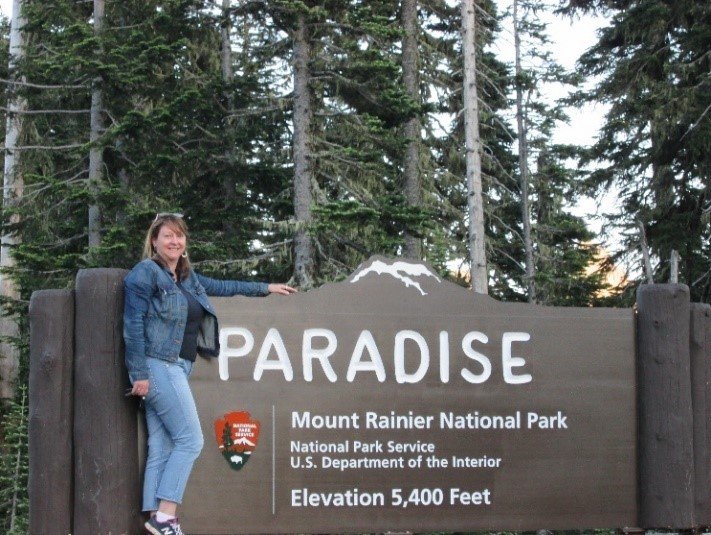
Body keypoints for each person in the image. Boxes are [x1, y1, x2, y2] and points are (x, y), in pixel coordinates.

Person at [123, 213, 295, 535]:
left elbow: (226, 286)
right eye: (167, 236)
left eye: (179, 236)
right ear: (154, 241)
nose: (174, 242)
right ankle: (166, 518)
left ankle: (153, 517)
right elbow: (132, 326)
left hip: (177, 366)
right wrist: (139, 374)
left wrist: (266, 287)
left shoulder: (187, 278)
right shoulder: (145, 274)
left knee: (162, 443)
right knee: (192, 440)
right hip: (159, 365)